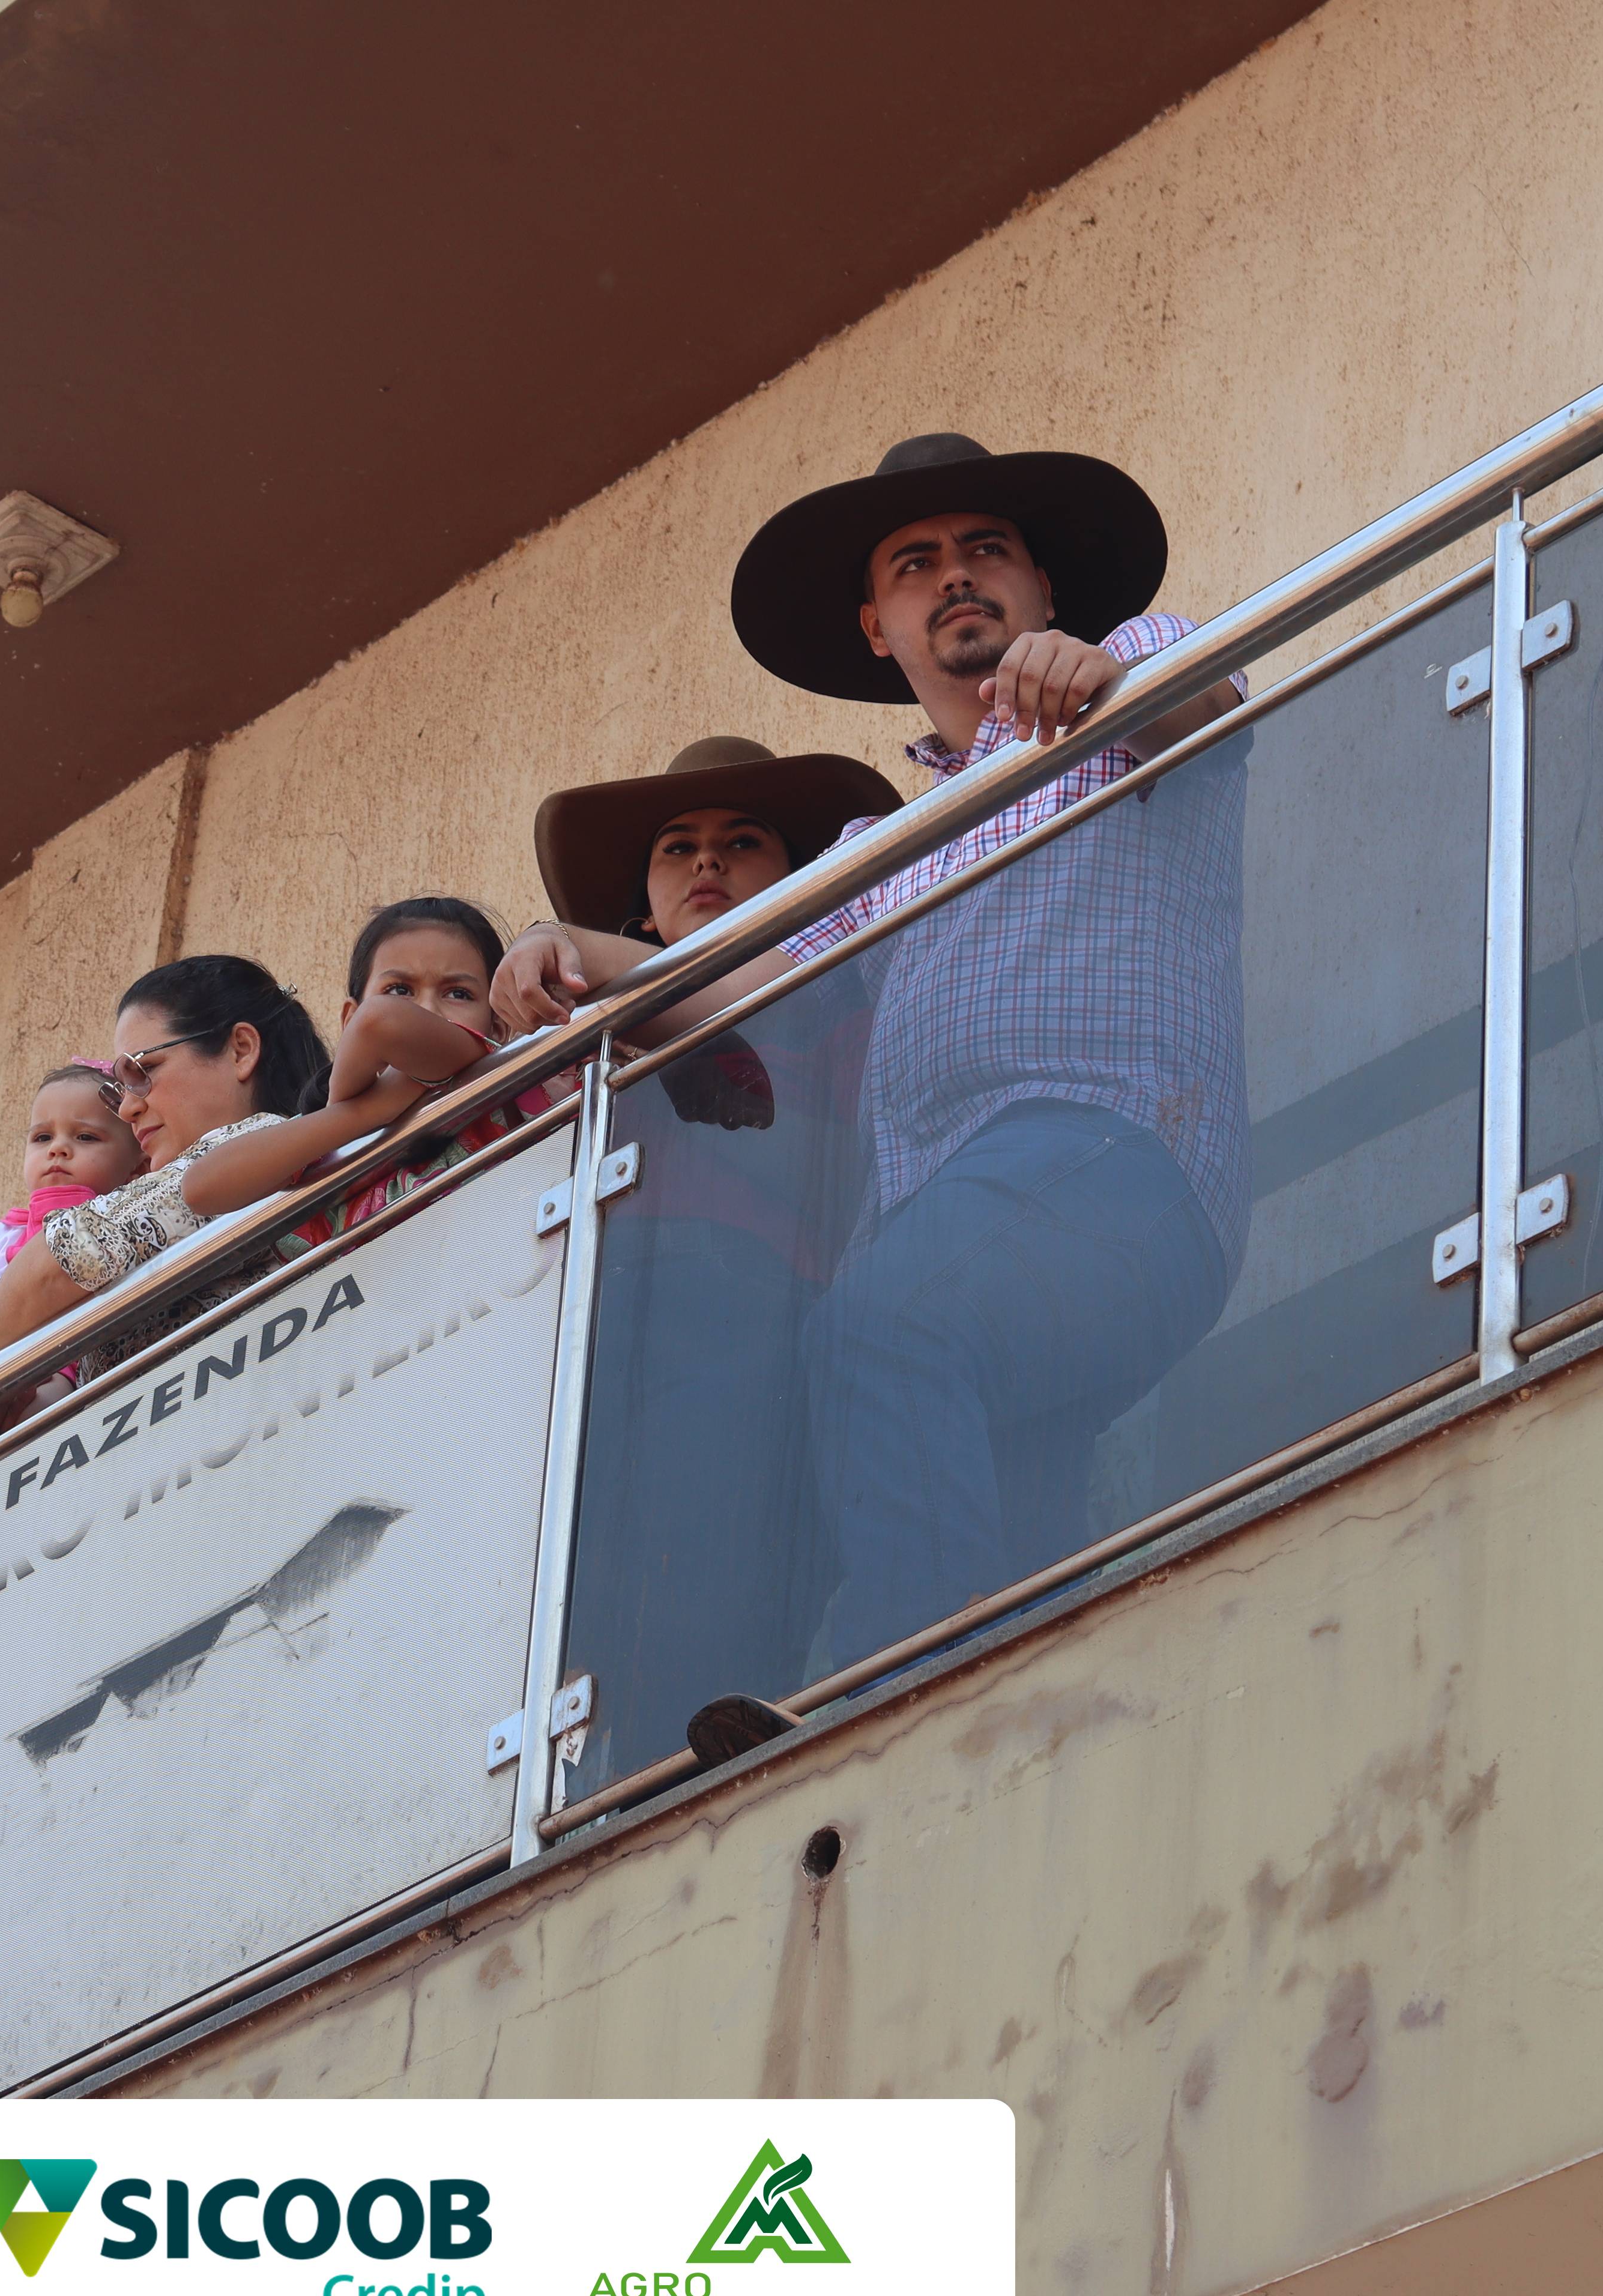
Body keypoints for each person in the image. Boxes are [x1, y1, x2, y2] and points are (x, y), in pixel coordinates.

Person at [494, 435, 1249, 1757]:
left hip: (1116, 1157)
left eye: (985, 551)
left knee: (880, 1327)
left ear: (1042, 588)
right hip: (974, 1225)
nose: (955, 577)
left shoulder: (1136, 657)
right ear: (877, 626)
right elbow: (739, 985)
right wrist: (572, 953)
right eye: (916, 565)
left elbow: (1205, 701)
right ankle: (1012, 1756)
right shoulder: (876, 848)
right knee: (1017, 1541)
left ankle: (902, 1711)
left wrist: (1101, 676)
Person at [523, 739, 895, 1777]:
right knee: (583, 1593)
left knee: (717, 1563)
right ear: (639, 913)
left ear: (801, 878)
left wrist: (703, 1066)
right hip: (588, 1325)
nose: (708, 863)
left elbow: (842, 1161)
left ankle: (694, 1778)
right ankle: (602, 1798)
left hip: (753, 1309)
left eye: (743, 842)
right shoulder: (584, 1035)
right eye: (678, 848)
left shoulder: (837, 998)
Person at [0, 955, 334, 1394]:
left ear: (241, 1050)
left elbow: (57, 1261)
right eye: (120, 1089)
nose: (128, 1109)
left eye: (143, 1071)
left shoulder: (265, 1141)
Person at [175, 897, 572, 1237]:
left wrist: (360, 1097)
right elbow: (200, 1188)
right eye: (400, 989)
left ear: (498, 1025)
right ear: (347, 1018)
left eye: (458, 993)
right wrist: (365, 1112)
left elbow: (382, 1021)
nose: (427, 1010)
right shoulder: (331, 1134)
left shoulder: (496, 1073)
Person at [0, 1065, 148, 1359]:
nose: (58, 1148)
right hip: (11, 1366)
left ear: (139, 1167)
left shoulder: (140, 1226)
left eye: (86, 1137)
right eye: (43, 1137)